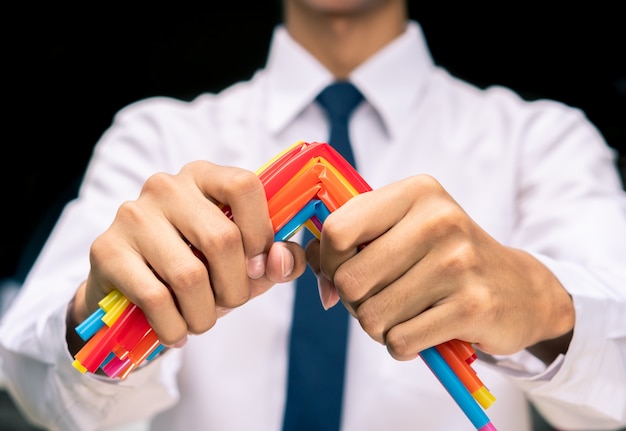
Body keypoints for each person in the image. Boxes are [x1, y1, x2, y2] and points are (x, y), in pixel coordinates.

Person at [1, 1, 625, 430]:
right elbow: (37, 388)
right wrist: (97, 314)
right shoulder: (155, 135)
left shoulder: (543, 142)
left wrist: (543, 305)